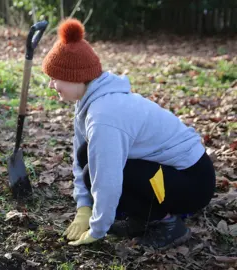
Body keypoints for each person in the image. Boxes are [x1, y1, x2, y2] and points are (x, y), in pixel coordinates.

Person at [41, 19, 215, 249]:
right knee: (87, 157)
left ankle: (167, 223)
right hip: (172, 175)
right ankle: (142, 218)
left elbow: (108, 181)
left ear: (75, 76)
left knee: (94, 172)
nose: (51, 85)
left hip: (193, 183)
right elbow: (78, 155)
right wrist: (84, 206)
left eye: (55, 78)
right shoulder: (89, 101)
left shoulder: (104, 116)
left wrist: (97, 228)